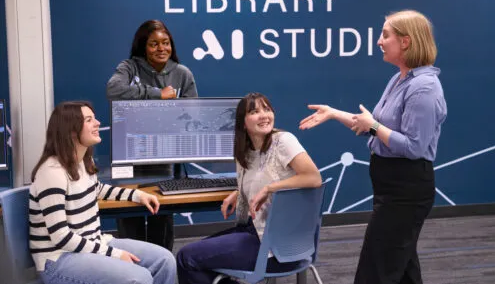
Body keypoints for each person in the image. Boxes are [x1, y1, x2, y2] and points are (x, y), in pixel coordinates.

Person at [299, 10, 447, 284]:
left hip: (406, 192)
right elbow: (370, 125)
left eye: (385, 35)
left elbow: (413, 146)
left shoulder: (424, 88)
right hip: (391, 187)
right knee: (401, 269)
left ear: (405, 42)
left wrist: (375, 127)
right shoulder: (400, 79)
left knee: (375, 271)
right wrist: (333, 113)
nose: (379, 41)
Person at [176, 92, 322, 284]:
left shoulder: (283, 141)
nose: (264, 115)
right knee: (193, 255)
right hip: (264, 236)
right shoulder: (244, 152)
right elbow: (267, 175)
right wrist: (240, 192)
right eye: (254, 111)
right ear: (243, 123)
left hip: (275, 247)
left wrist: (269, 188)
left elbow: (313, 177)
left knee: (187, 258)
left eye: (267, 109)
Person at [29, 101, 176, 284]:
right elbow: (61, 237)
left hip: (93, 242)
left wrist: (138, 195)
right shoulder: (52, 172)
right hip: (59, 259)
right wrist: (114, 254)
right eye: (89, 120)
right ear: (71, 130)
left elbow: (97, 189)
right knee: (139, 277)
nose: (98, 123)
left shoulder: (82, 161)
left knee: (165, 260)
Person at [106, 19, 198, 250]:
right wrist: (157, 95)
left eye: (165, 43)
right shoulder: (129, 67)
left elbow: (192, 113)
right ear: (143, 46)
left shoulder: (182, 73)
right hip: (128, 152)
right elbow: (113, 90)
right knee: (129, 212)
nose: (161, 49)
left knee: (161, 215)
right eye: (154, 44)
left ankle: (162, 267)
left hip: (165, 154)